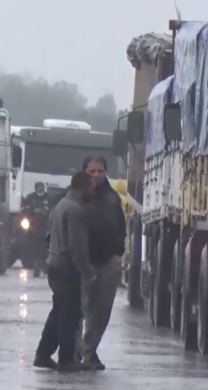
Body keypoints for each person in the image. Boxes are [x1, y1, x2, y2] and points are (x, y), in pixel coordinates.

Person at [34, 171, 97, 373]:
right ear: (81, 187)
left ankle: (43, 355)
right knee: (70, 315)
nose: (93, 192)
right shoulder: (76, 210)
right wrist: (87, 272)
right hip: (66, 268)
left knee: (58, 312)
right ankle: (66, 359)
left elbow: (48, 236)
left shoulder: (60, 206)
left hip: (54, 265)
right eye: (91, 188)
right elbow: (77, 246)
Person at [74, 156, 126, 370]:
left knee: (101, 311)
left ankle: (90, 352)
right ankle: (74, 353)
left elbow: (120, 226)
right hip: (80, 262)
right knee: (78, 310)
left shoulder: (112, 198)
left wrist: (118, 251)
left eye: (100, 171)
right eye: (91, 171)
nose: (96, 176)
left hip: (107, 262)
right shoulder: (74, 197)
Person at [23, 181, 51, 277]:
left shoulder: (49, 197)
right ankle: (36, 265)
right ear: (35, 188)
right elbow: (25, 209)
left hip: (46, 226)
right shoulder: (30, 197)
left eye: (42, 187)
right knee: (34, 247)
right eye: (38, 187)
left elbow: (53, 209)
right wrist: (33, 211)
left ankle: (45, 265)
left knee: (45, 247)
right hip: (33, 227)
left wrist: (47, 212)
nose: (40, 188)